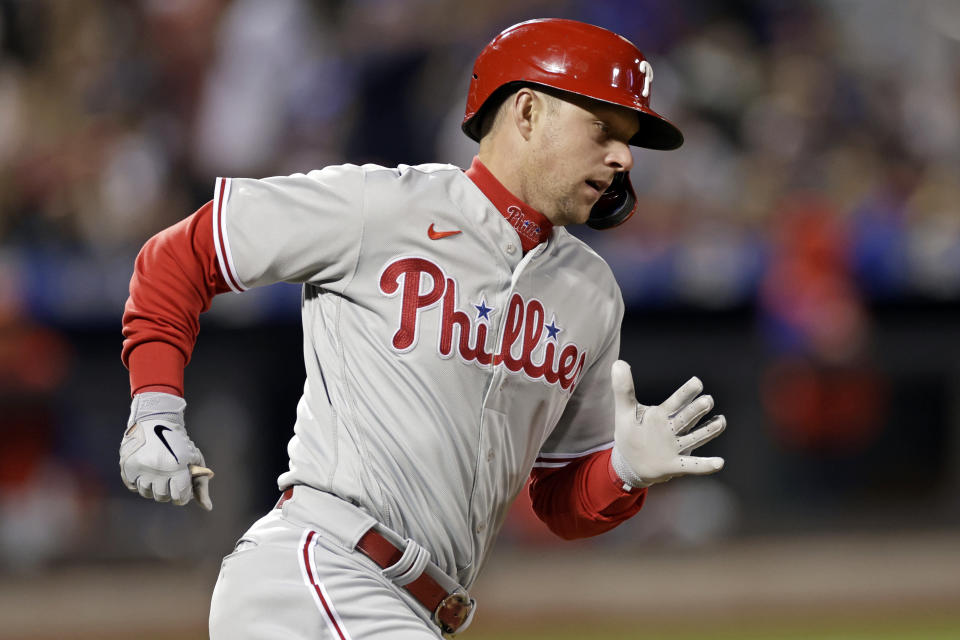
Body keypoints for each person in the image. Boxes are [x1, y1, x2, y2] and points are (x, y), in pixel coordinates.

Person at [118, 18, 727, 639]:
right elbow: (179, 255)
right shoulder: (381, 207)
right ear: (526, 112)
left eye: (627, 139)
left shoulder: (591, 294)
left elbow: (560, 502)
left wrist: (622, 471)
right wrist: (155, 408)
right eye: (603, 129)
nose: (623, 156)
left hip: (419, 607)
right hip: (318, 573)